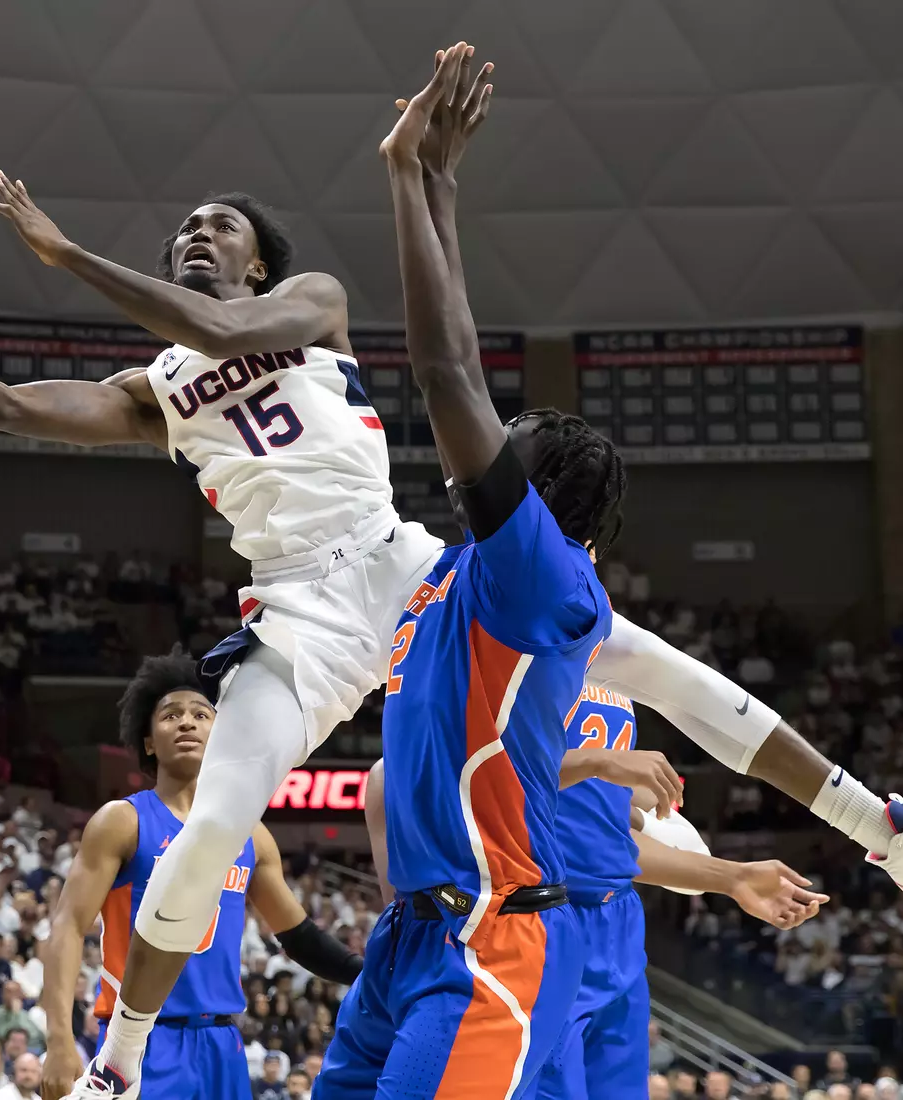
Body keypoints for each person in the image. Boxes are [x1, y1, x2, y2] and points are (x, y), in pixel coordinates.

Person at [0, 101, 442, 1100]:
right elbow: (3, 403)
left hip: (390, 560)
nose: (195, 235)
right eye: (184, 231)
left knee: (550, 692)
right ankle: (119, 1056)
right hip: (303, 607)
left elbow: (214, 324)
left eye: (219, 224)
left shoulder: (304, 301)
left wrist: (64, 251)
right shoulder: (156, 386)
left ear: (257, 261)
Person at [310, 42, 616, 1100]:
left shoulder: (547, 580)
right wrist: (442, 180)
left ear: (547, 494)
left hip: (491, 940)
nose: (489, 435)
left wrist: (399, 173)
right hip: (406, 939)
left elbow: (446, 373)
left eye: (511, 435)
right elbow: (466, 355)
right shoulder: (463, 567)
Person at [43, 651, 362, 1099]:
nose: (187, 723)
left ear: (218, 733)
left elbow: (298, 935)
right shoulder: (124, 821)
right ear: (149, 742)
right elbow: (67, 926)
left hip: (222, 1043)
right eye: (170, 715)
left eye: (200, 714)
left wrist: (363, 972)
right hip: (140, 1042)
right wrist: (59, 1037)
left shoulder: (250, 833)